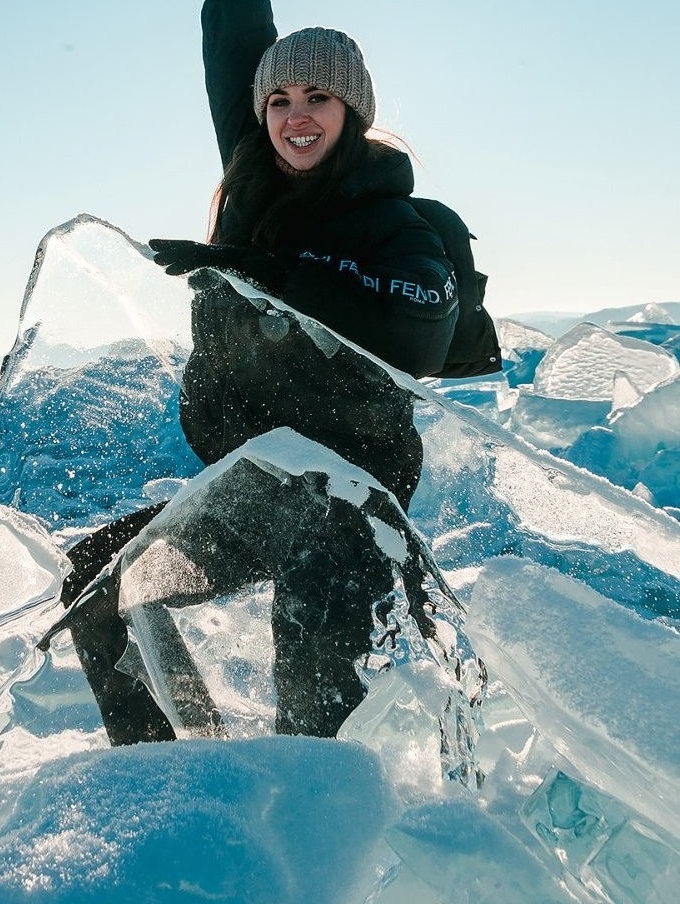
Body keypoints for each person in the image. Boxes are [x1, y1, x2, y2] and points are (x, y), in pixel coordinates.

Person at [54, 0, 499, 744]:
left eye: (318, 98)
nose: (296, 116)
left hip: (345, 509)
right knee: (100, 585)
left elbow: (416, 328)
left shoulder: (396, 221)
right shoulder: (253, 189)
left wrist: (272, 275)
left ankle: (325, 831)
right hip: (250, 489)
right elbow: (233, 44)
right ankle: (173, 768)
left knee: (312, 725)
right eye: (279, 101)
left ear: (352, 109)